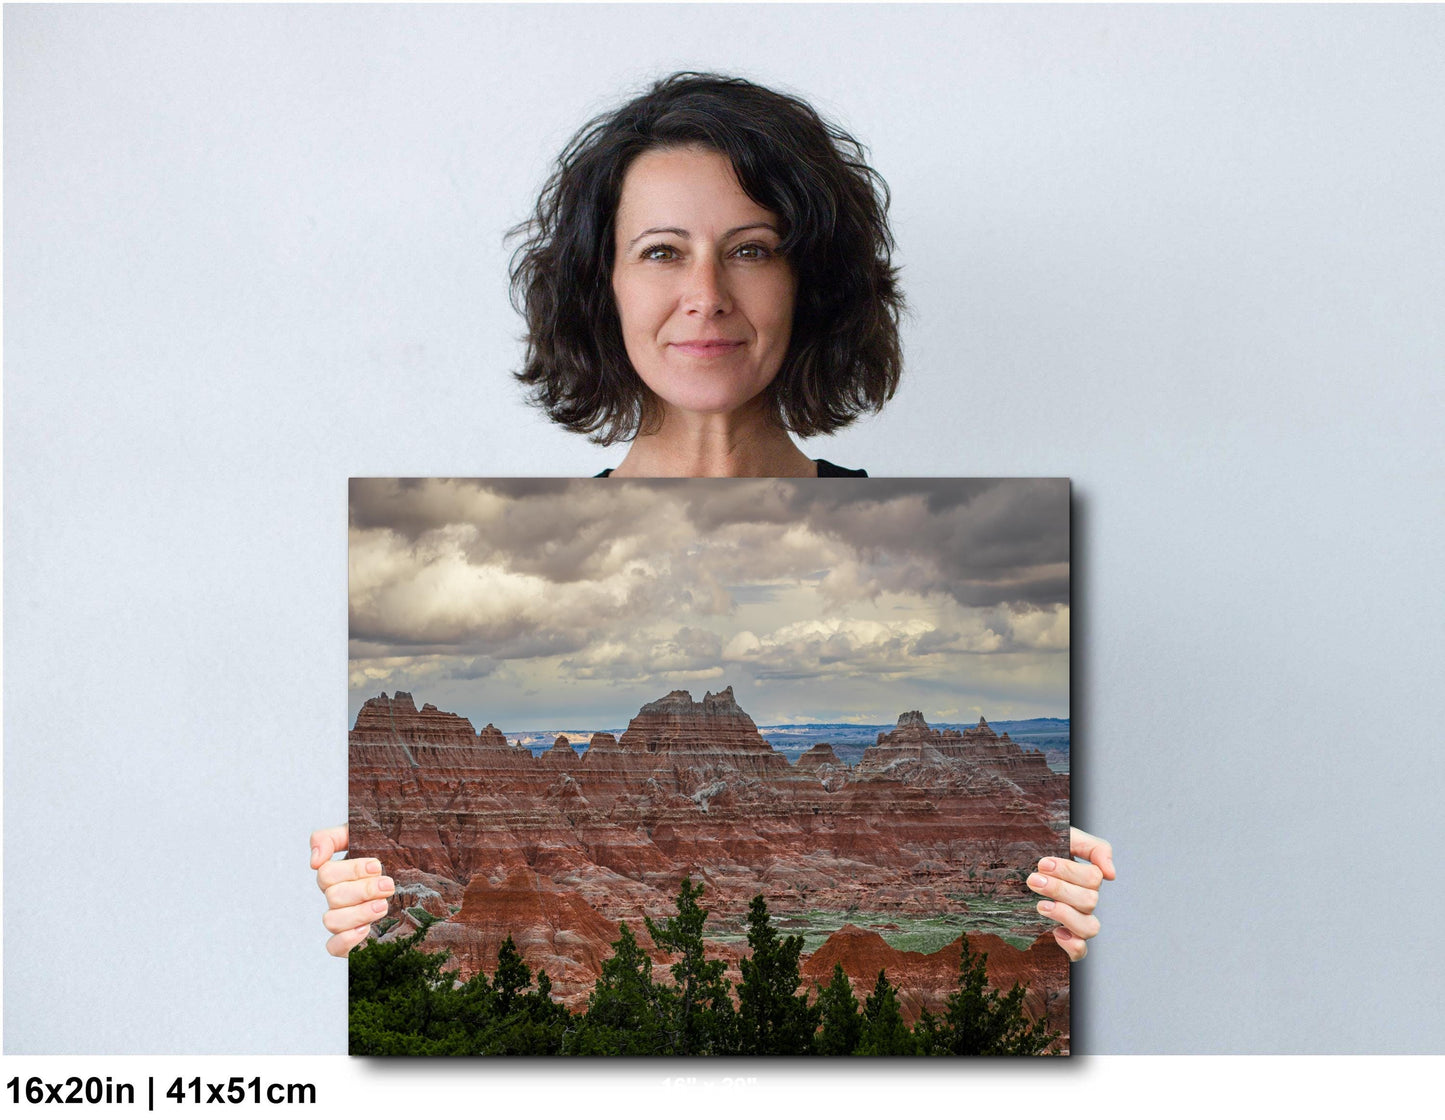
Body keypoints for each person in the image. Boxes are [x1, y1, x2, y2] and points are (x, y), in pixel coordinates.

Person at [313, 72, 1114, 961]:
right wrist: (365, 927)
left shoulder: (943, 539)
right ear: (601, 285)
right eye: (661, 251)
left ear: (809, 284)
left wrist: (1070, 918)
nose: (707, 294)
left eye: (752, 249)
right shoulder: (513, 545)